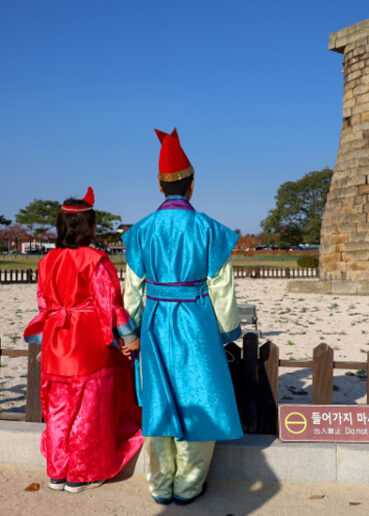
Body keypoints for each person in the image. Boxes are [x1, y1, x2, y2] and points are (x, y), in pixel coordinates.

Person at [121, 128, 243, 505]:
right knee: (199, 395)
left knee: (158, 399)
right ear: (192, 187)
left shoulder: (140, 231)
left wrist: (130, 331)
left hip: (156, 320)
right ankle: (189, 486)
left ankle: (160, 485)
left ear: (159, 187)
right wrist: (227, 330)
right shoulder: (209, 229)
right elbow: (221, 287)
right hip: (195, 319)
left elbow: (132, 289)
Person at [24, 187, 143, 494]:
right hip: (88, 340)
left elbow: (43, 304)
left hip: (56, 340)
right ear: (88, 226)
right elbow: (111, 305)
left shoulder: (47, 260)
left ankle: (57, 472)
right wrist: (130, 338)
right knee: (90, 409)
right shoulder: (96, 259)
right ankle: (83, 474)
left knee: (60, 409)